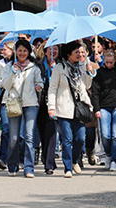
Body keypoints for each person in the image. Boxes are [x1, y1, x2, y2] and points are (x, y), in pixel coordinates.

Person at [48, 41, 93, 178]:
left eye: (81, 52)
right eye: (77, 52)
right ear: (69, 54)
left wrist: (90, 72)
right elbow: (53, 88)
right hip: (64, 107)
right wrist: (51, 107)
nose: (80, 55)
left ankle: (74, 161)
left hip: (79, 108)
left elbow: (87, 85)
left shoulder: (81, 67)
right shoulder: (59, 68)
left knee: (80, 138)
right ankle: (68, 167)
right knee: (67, 139)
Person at [1, 39, 43, 178]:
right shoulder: (8, 67)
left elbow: (40, 82)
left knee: (29, 137)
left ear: (28, 52)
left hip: (31, 104)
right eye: (19, 50)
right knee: (13, 138)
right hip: (14, 103)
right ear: (15, 52)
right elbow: (6, 86)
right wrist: (13, 73)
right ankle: (12, 165)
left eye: (25, 51)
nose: (22, 53)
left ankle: (29, 167)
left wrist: (39, 86)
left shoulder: (34, 68)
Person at [92, 50, 116, 171]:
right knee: (105, 134)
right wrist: (96, 108)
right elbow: (95, 92)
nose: (108, 64)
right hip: (104, 106)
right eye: (106, 62)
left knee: (115, 134)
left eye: (111, 62)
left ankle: (114, 160)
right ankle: (108, 154)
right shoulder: (99, 73)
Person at [36, 43, 59, 174]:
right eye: (50, 49)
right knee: (43, 133)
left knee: (51, 132)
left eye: (55, 49)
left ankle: (49, 163)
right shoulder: (38, 65)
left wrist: (54, 70)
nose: (53, 51)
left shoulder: (60, 65)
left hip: (54, 103)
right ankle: (46, 157)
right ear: (45, 52)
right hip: (40, 102)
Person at [0, 41, 15, 171]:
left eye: (5, 49)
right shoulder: (1, 64)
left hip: (20, 100)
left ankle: (19, 157)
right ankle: (3, 158)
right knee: (6, 129)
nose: (3, 51)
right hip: (6, 100)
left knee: (19, 133)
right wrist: (7, 79)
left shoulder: (23, 64)